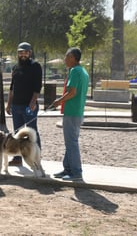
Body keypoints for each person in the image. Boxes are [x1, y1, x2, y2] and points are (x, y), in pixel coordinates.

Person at [52, 47, 89, 181]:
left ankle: (76, 172)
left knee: (72, 143)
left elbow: (72, 92)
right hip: (77, 112)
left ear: (73, 58)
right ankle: (67, 169)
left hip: (72, 112)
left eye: (66, 57)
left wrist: (58, 101)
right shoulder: (83, 71)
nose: (65, 60)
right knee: (70, 142)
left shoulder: (74, 71)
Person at [5, 42, 42, 166]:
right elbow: (12, 88)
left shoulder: (35, 66)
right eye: (21, 52)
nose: (23, 55)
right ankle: (17, 158)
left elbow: (37, 87)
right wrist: (9, 104)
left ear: (30, 53)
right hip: (16, 106)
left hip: (29, 106)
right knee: (18, 133)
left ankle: (37, 158)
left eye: (25, 52)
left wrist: (33, 102)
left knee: (32, 132)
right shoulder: (15, 68)